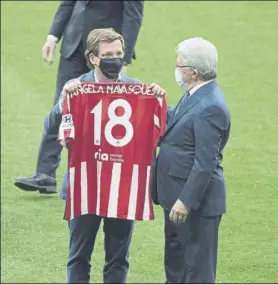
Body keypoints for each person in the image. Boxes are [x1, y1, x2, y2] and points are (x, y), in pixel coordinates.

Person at [42, 28, 165, 283]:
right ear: (93, 58)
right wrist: (63, 100)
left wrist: (160, 100)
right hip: (85, 186)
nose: (115, 59)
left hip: (122, 187)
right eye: (108, 54)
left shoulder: (138, 90)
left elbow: (158, 132)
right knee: (78, 257)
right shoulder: (76, 89)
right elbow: (51, 127)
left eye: (119, 53)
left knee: (118, 259)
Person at [15, 0, 144, 194]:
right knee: (62, 103)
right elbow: (68, 3)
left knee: (107, 112)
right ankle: (45, 174)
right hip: (73, 45)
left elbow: (134, 14)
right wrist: (53, 36)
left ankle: (102, 175)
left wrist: (122, 59)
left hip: (106, 53)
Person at [151, 37, 231, 283]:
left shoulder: (211, 107)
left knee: (197, 272)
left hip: (194, 205)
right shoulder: (196, 94)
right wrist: (160, 102)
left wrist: (185, 202)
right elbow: (181, 119)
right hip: (175, 197)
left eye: (179, 66)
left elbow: (205, 162)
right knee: (176, 267)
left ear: (194, 72)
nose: (176, 70)